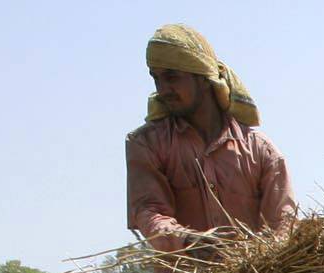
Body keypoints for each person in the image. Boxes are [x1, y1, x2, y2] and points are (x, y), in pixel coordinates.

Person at [127, 24, 296, 255]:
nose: (163, 89)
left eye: (172, 78)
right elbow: (148, 211)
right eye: (157, 79)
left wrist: (263, 263)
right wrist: (187, 240)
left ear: (204, 79)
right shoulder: (147, 144)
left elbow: (283, 224)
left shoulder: (260, 150)